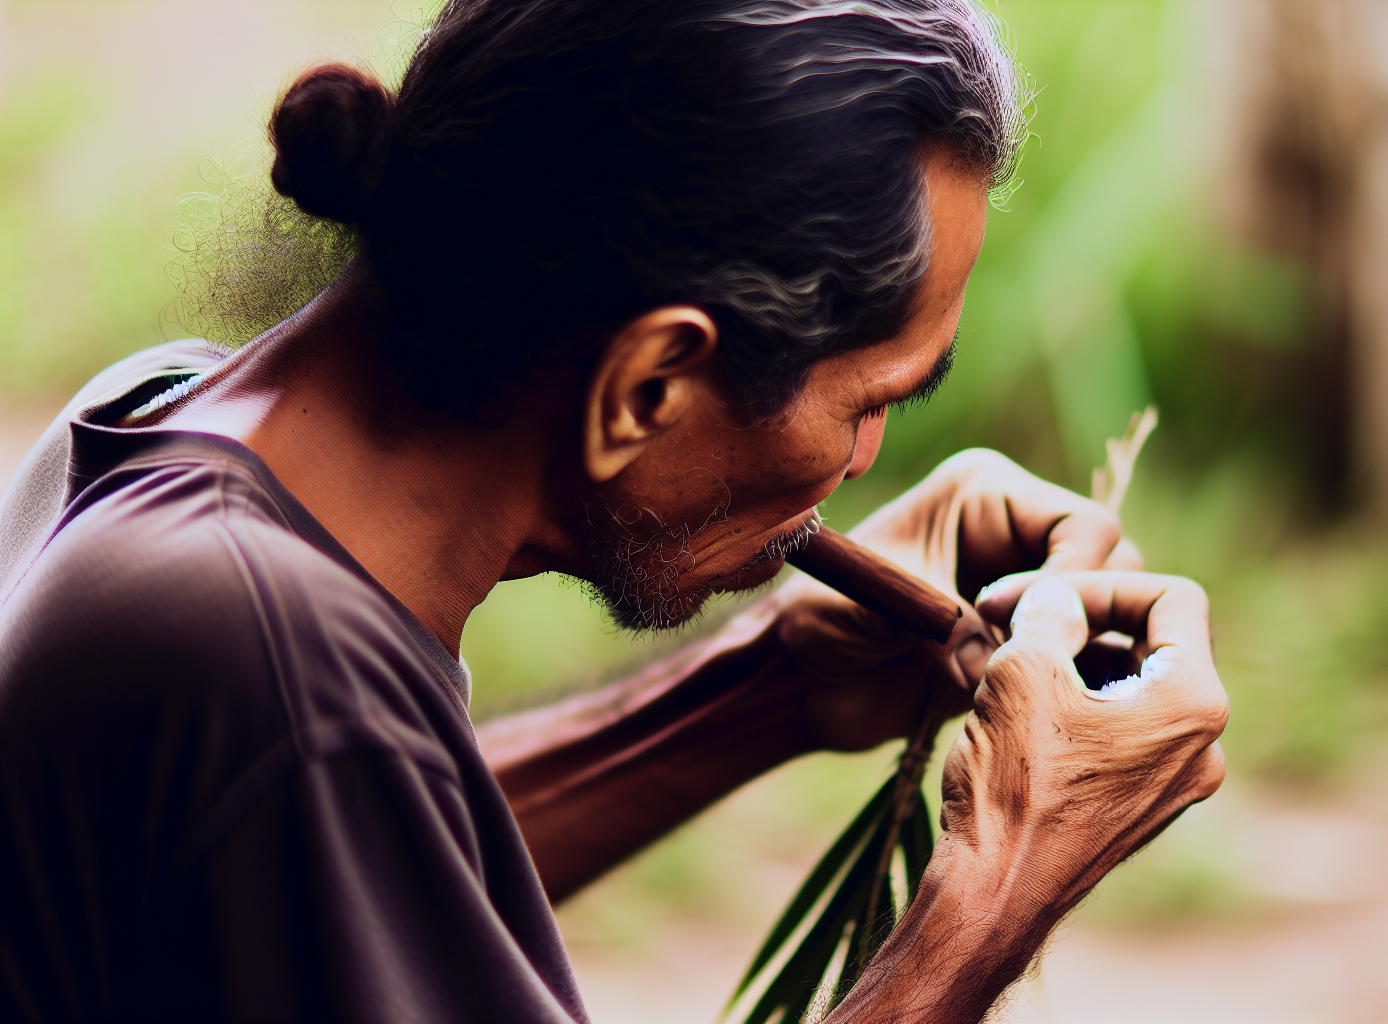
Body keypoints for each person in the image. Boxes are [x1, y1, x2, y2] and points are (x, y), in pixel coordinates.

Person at [0, 1, 1228, 1021]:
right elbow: (332, 786)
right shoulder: (264, 663)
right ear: (646, 385)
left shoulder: (167, 418)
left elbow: (355, 864)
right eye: (869, 401)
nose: (863, 462)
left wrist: (771, 679)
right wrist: (1001, 869)